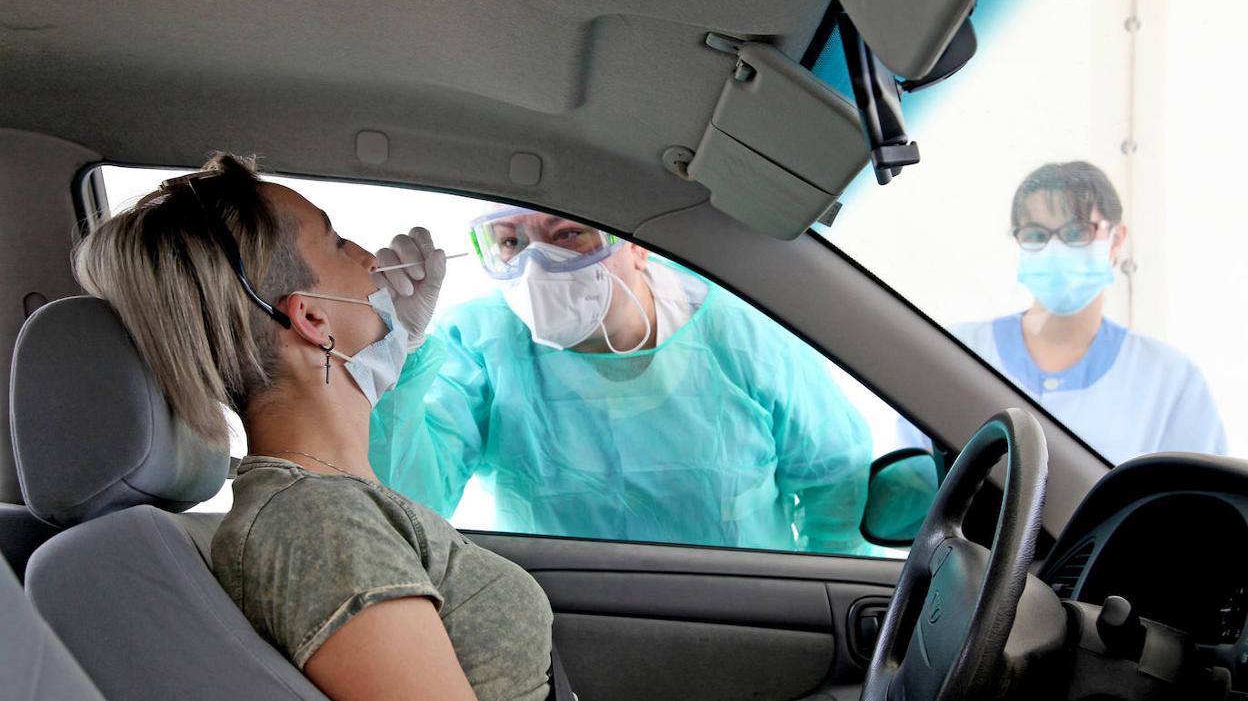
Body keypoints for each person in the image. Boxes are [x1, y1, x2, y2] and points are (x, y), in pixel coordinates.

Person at [73, 155, 555, 701]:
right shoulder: (317, 524)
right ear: (311, 319)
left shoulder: (334, 499)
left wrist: (410, 352)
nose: (372, 260)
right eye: (339, 241)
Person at [369, 204, 876, 555]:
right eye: (510, 242)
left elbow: (836, 482)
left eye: (568, 234)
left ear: (637, 246)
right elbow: (411, 504)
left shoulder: (740, 331)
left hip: (745, 618)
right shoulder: (479, 343)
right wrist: (399, 354)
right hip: (569, 624)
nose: (537, 264)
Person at [901, 161, 1226, 464]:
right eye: (1036, 235)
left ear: (1116, 239)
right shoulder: (957, 353)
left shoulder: (1170, 380)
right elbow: (912, 492)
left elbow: (1201, 508)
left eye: (1076, 232)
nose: (1055, 250)